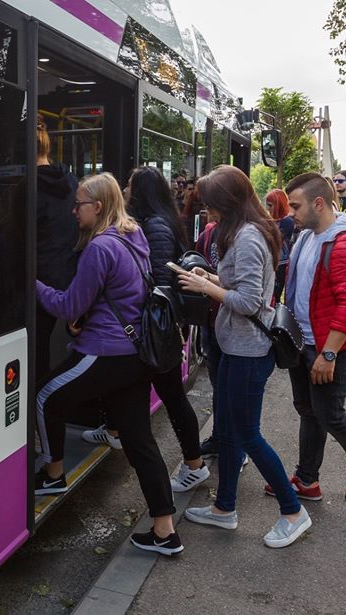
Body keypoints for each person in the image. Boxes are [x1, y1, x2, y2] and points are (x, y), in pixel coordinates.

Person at [35, 172, 182, 556]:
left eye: (79, 205)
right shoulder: (133, 236)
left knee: (46, 398)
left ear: (98, 207)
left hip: (106, 352)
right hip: (135, 355)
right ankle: (165, 530)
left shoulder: (100, 247)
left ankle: (53, 474)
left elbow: (68, 304)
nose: (73, 211)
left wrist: (31, 283)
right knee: (139, 441)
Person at [176, 166, 311, 548]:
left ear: (228, 201)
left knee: (248, 434)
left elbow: (250, 301)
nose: (207, 211)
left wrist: (206, 286)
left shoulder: (248, 236)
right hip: (237, 347)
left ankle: (293, 512)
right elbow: (240, 285)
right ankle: (224, 508)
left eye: (210, 203)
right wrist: (211, 278)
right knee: (231, 431)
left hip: (248, 351)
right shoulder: (246, 230)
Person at [81, 166, 208, 494]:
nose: (125, 190)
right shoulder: (157, 221)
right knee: (140, 390)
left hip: (157, 330)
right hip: (155, 328)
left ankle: (194, 465)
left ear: (141, 192)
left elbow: (158, 283)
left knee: (173, 397)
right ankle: (114, 429)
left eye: (129, 185)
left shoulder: (155, 227)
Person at [279, 171, 346, 503]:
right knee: (309, 411)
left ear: (319, 203)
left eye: (296, 206)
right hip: (304, 341)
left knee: (330, 414)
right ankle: (306, 479)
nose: (290, 213)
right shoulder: (307, 236)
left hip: (329, 347)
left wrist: (328, 354)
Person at [33, 114, 79, 384]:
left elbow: (13, 235)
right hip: (66, 275)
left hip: (36, 280)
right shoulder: (70, 180)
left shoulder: (27, 186)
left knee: (34, 350)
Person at [265, 189, 295, 303]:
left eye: (270, 205)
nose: (268, 208)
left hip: (281, 263)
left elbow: (275, 240)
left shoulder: (287, 221)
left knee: (275, 294)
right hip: (272, 260)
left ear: (278, 204)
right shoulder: (273, 220)